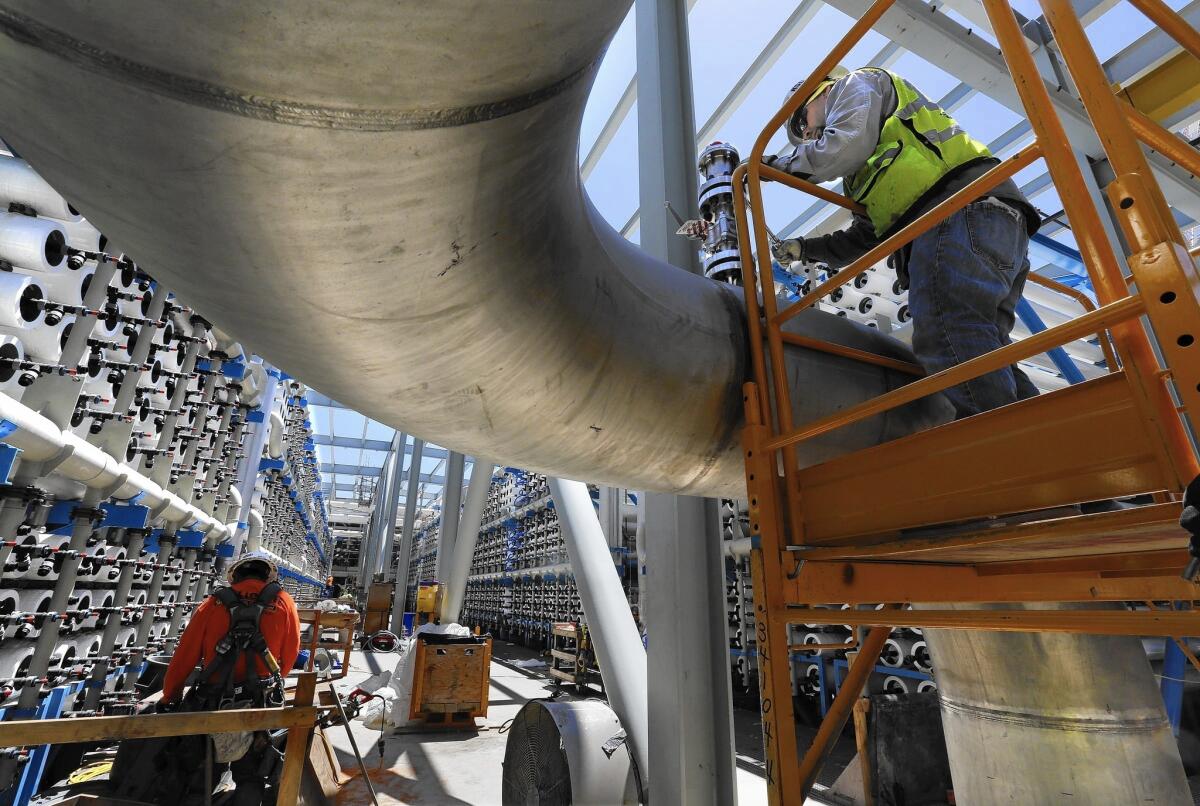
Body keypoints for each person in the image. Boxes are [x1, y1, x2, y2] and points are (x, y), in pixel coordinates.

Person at [768, 66, 1042, 418]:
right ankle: (1046, 437)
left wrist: (773, 165)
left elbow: (843, 145)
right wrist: (805, 249)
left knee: (948, 331)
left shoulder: (856, 84)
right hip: (983, 219)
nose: (806, 134)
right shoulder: (862, 166)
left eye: (801, 121)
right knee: (985, 346)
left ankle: (1007, 451)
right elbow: (867, 236)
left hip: (956, 210)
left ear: (819, 91)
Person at [159, 550, 301, 805]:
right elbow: (290, 656)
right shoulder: (283, 602)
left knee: (200, 771)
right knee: (253, 775)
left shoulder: (213, 604)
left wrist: (170, 696)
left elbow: (185, 655)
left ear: (234, 575)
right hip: (260, 703)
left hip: (211, 702)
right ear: (268, 576)